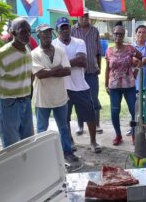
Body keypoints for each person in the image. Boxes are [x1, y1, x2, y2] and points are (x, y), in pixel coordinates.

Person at [52, 17, 102, 153]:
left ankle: (93, 141)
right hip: (62, 87)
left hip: (80, 85)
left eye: (66, 27)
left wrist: (63, 64)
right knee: (65, 117)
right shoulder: (53, 44)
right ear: (57, 30)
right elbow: (54, 66)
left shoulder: (79, 42)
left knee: (89, 115)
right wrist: (68, 63)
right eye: (61, 28)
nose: (64, 30)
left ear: (70, 28)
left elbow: (82, 61)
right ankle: (70, 141)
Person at [31, 23, 79, 163]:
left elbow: (68, 71)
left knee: (63, 127)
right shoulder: (34, 54)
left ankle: (67, 152)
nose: (46, 35)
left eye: (49, 32)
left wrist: (49, 71)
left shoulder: (60, 51)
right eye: (43, 33)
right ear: (38, 35)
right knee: (42, 128)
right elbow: (40, 75)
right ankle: (42, 155)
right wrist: (57, 68)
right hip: (42, 98)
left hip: (60, 96)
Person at [0, 17, 34, 148]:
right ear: (13, 33)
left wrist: (29, 94)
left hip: (25, 102)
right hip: (9, 104)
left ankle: (26, 167)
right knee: (11, 145)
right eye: (23, 31)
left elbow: (29, 74)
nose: (28, 34)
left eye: (29, 31)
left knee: (28, 142)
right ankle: (14, 168)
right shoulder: (2, 55)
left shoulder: (27, 50)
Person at [105, 23, 142, 145]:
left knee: (133, 111)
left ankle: (134, 134)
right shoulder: (109, 51)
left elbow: (141, 58)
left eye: (121, 33)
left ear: (124, 35)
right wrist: (106, 84)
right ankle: (118, 135)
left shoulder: (130, 49)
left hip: (129, 86)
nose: (118, 36)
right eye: (116, 33)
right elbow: (107, 69)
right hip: (114, 87)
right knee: (115, 112)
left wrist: (136, 71)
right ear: (113, 34)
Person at [71, 8, 103, 135]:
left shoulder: (94, 30)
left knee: (93, 98)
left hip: (92, 71)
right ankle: (80, 126)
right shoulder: (72, 30)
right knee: (79, 100)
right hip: (77, 72)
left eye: (86, 16)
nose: (84, 18)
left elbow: (99, 51)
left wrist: (99, 67)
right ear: (77, 17)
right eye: (82, 16)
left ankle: (97, 124)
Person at [126, 25, 146, 137]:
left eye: (143, 32)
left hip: (145, 81)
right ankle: (133, 129)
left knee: (145, 107)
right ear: (135, 34)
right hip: (133, 81)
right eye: (139, 32)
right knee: (133, 107)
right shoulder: (130, 47)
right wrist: (131, 60)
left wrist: (141, 61)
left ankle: (144, 129)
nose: (141, 34)